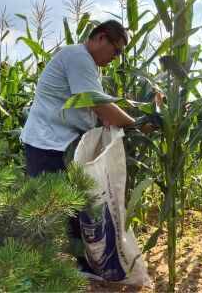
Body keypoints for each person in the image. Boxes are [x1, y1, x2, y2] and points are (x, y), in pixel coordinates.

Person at [20, 19, 145, 277]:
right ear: (100, 37)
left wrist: (120, 120)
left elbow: (97, 111)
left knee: (74, 206)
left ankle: (81, 264)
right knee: (48, 208)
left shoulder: (89, 65)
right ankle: (31, 269)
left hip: (60, 143)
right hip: (47, 143)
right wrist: (136, 124)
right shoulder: (78, 57)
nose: (117, 58)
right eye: (117, 50)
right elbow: (97, 104)